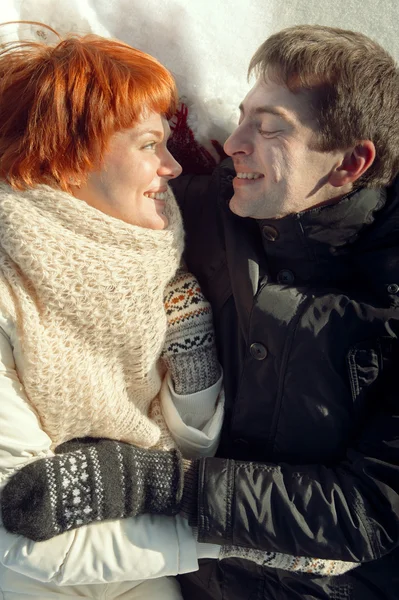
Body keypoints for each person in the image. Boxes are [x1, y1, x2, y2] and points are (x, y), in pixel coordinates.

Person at [167, 25, 398, 600]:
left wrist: (157, 486)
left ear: (350, 163)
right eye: (242, 117)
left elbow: (370, 510)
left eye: (268, 127)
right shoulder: (214, 209)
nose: (232, 143)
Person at [0, 23, 225, 599]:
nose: (172, 167)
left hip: (144, 563)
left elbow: (177, 451)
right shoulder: (9, 289)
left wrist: (194, 382)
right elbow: (18, 524)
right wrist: (240, 533)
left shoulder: (160, 270)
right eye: (150, 144)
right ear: (68, 159)